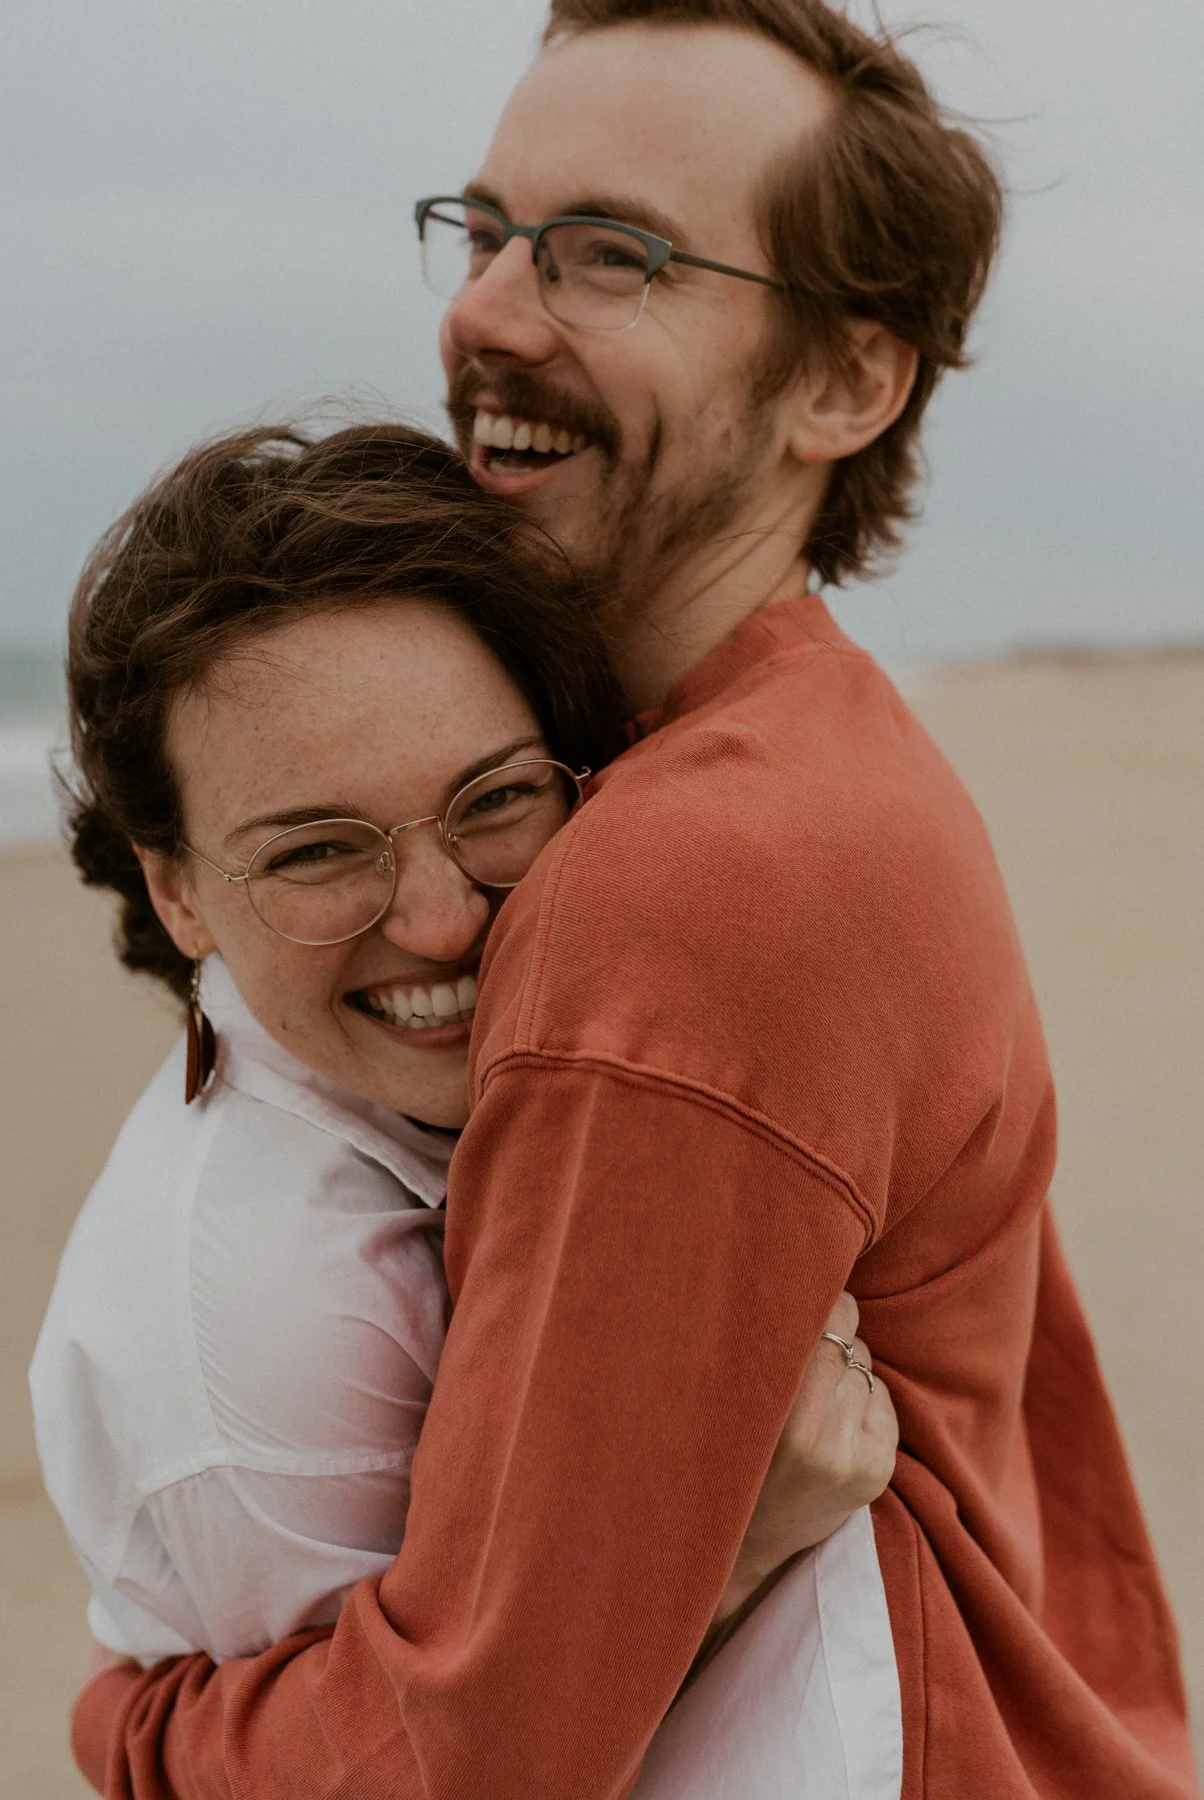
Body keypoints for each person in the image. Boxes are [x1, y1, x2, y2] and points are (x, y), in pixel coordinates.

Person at [75, 3, 1198, 1797]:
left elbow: (483, 1750)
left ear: (845, 381)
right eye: (489, 228)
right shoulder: (811, 743)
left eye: (614, 255)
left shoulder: (699, 874)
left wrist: (133, 1732)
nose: (491, 314)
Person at [35, 421, 893, 1720]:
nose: (438, 921)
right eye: (318, 852)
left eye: (493, 800)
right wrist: (739, 1538)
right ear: (178, 893)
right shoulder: (263, 1312)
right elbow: (405, 1762)